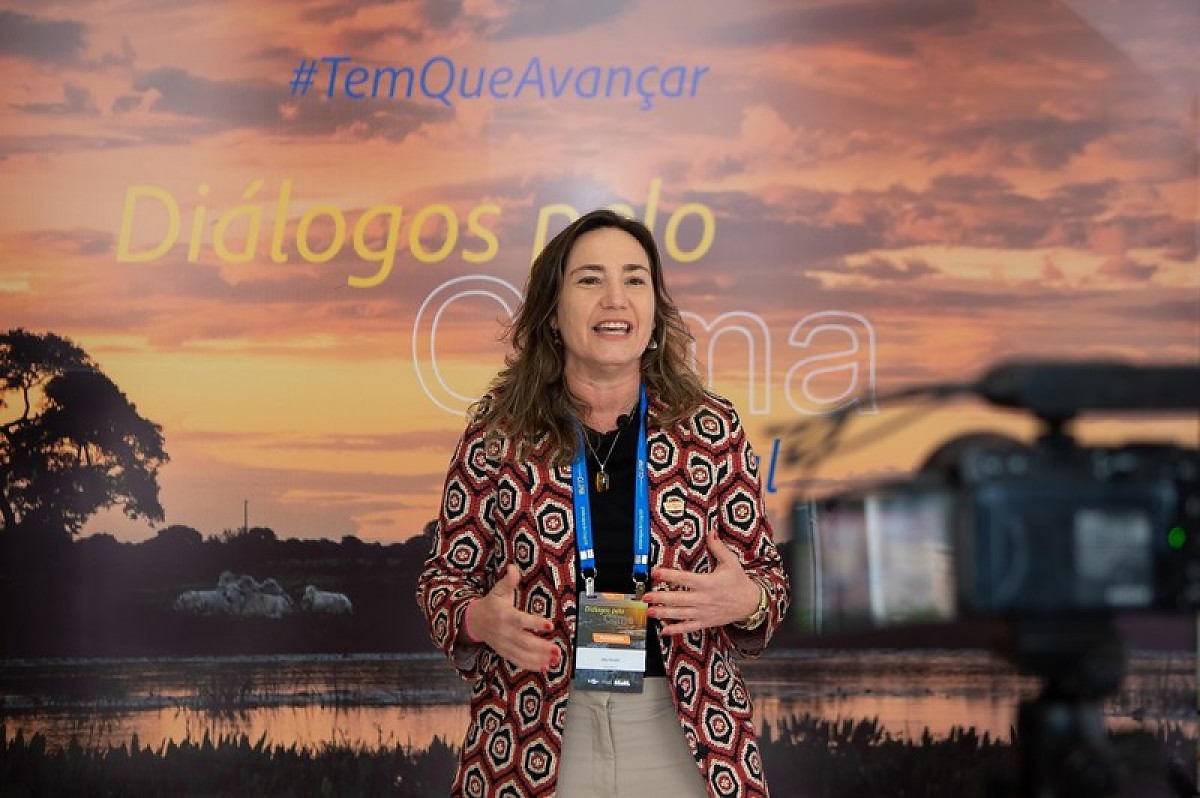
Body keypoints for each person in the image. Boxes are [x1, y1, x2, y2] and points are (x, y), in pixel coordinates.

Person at [417, 208, 790, 797]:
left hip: (684, 732)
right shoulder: (497, 434)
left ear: (655, 310)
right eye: (590, 279)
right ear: (552, 312)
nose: (615, 298)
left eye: (634, 280)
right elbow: (442, 581)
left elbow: (769, 584)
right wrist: (475, 619)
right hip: (533, 734)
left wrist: (748, 600)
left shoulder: (710, 429)